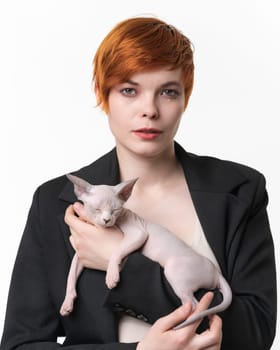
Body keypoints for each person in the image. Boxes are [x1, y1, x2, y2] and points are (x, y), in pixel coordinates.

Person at [0, 16, 276, 350]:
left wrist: (127, 270)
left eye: (168, 92)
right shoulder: (54, 201)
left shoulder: (240, 189)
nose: (149, 109)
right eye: (129, 90)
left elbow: (256, 332)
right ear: (104, 95)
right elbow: (20, 345)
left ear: (185, 99)